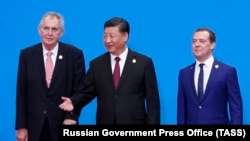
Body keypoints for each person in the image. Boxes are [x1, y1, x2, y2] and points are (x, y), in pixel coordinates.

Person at [59, 17, 160, 125]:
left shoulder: (144, 63)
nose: (107, 40)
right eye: (105, 36)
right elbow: (86, 92)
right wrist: (74, 102)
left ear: (125, 36)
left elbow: (153, 103)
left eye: (112, 36)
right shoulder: (96, 64)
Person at [15, 11, 86, 141]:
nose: (49, 33)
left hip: (64, 123)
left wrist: (72, 117)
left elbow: (80, 90)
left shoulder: (74, 55)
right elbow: (21, 93)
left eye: (54, 29)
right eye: (46, 28)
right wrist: (21, 126)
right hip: (34, 127)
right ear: (39, 29)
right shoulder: (27, 55)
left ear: (61, 32)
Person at [177, 27, 243, 125]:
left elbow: (236, 108)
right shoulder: (184, 73)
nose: (197, 44)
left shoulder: (227, 72)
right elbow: (181, 109)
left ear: (212, 44)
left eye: (202, 41)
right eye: (194, 41)